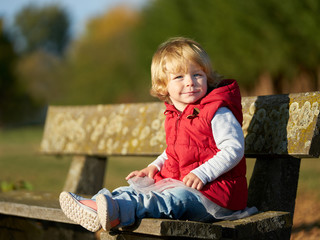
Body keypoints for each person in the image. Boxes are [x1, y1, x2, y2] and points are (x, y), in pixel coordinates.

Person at [59, 37, 257, 232]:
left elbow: (234, 148)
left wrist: (202, 173)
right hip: (185, 187)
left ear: (207, 77)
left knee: (169, 200)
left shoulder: (217, 111)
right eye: (179, 77)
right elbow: (173, 150)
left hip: (215, 197)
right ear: (164, 86)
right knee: (138, 187)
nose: (190, 82)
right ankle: (98, 205)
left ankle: (116, 211)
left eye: (197, 74)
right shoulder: (176, 114)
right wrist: (154, 166)